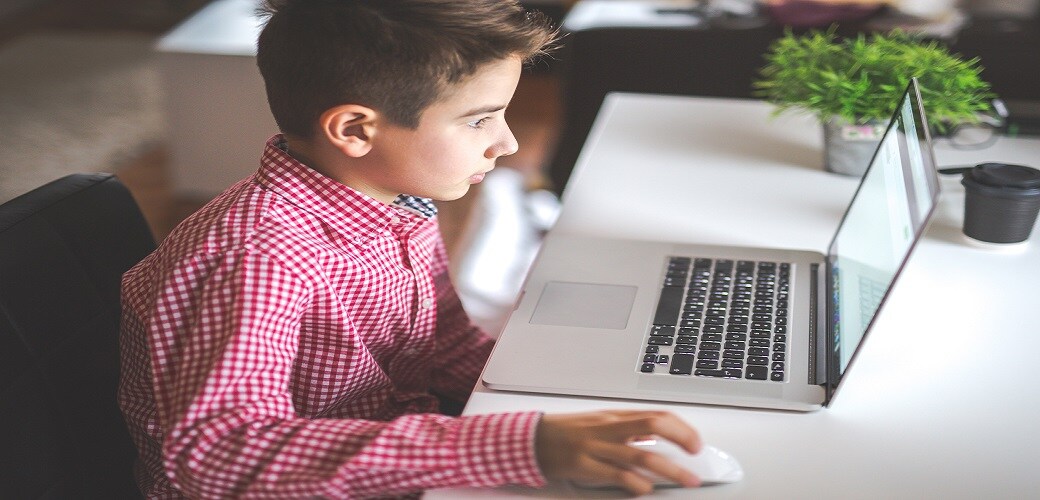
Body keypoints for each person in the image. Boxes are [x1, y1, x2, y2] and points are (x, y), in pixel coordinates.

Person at [118, 1, 702, 498]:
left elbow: (443, 346)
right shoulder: (259, 257)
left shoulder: (400, 203)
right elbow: (218, 455)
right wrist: (520, 442)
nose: (508, 142)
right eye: (479, 121)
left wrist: (577, 390)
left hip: (395, 442)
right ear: (354, 130)